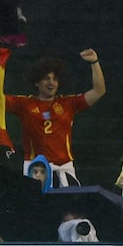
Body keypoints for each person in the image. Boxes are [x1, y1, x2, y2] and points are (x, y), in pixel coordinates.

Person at [5, 49, 106, 186]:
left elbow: (99, 91)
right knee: (36, 207)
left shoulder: (68, 103)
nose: (51, 83)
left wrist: (94, 62)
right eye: (46, 78)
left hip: (65, 168)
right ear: (37, 82)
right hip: (36, 169)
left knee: (69, 207)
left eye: (55, 79)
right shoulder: (24, 104)